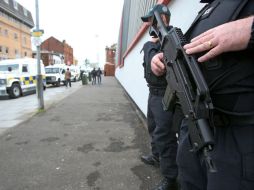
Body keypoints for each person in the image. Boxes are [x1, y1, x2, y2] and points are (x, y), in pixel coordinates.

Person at [150, 1, 254, 190]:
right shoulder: (209, 8)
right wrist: (163, 59)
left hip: (236, 139)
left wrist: (250, 28)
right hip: (193, 129)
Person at [140, 5, 178, 190]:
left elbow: (161, 55)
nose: (149, 24)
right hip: (152, 92)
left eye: (152, 20)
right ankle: (156, 157)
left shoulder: (172, 37)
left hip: (165, 95)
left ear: (162, 18)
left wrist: (156, 53)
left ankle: (171, 178)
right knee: (153, 127)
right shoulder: (153, 42)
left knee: (165, 135)